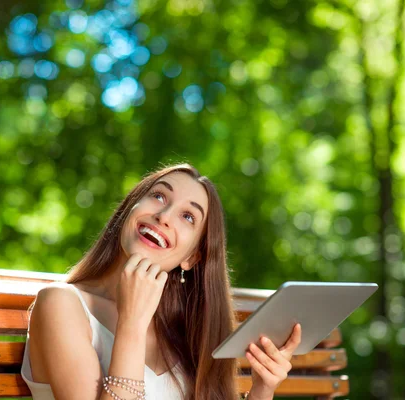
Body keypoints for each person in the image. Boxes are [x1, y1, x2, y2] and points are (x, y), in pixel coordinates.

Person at [20, 163, 302, 400]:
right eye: (158, 196)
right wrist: (131, 324)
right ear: (130, 209)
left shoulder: (187, 335)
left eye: (188, 216)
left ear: (193, 257)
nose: (164, 216)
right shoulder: (61, 304)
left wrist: (262, 390)